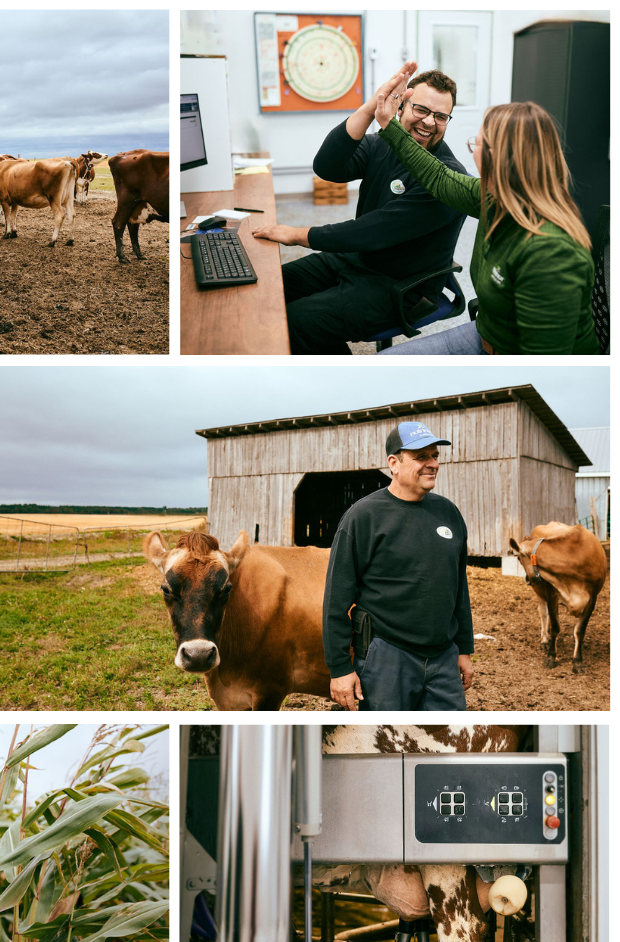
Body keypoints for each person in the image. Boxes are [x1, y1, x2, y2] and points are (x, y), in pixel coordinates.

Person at [374, 61, 599, 354]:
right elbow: (437, 176)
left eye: (477, 143)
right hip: (486, 334)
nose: (472, 149)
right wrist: (388, 125)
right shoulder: (496, 199)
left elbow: (543, 364)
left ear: (497, 157)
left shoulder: (551, 254)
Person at [252, 69, 467, 353]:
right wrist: (370, 107)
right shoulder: (384, 143)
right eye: (421, 109)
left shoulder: (446, 177)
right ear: (401, 105)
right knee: (268, 289)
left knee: (293, 322)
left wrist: (299, 234)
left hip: (401, 286)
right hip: (359, 259)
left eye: (441, 116)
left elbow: (374, 231)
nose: (429, 121)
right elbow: (327, 166)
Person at [323, 422, 474, 711]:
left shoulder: (448, 513)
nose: (432, 464)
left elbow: (458, 588)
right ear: (394, 463)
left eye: (435, 456)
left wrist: (464, 648)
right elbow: (335, 600)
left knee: (444, 746)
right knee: (385, 745)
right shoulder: (364, 517)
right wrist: (340, 668)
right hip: (386, 658)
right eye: (421, 457)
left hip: (443, 659)